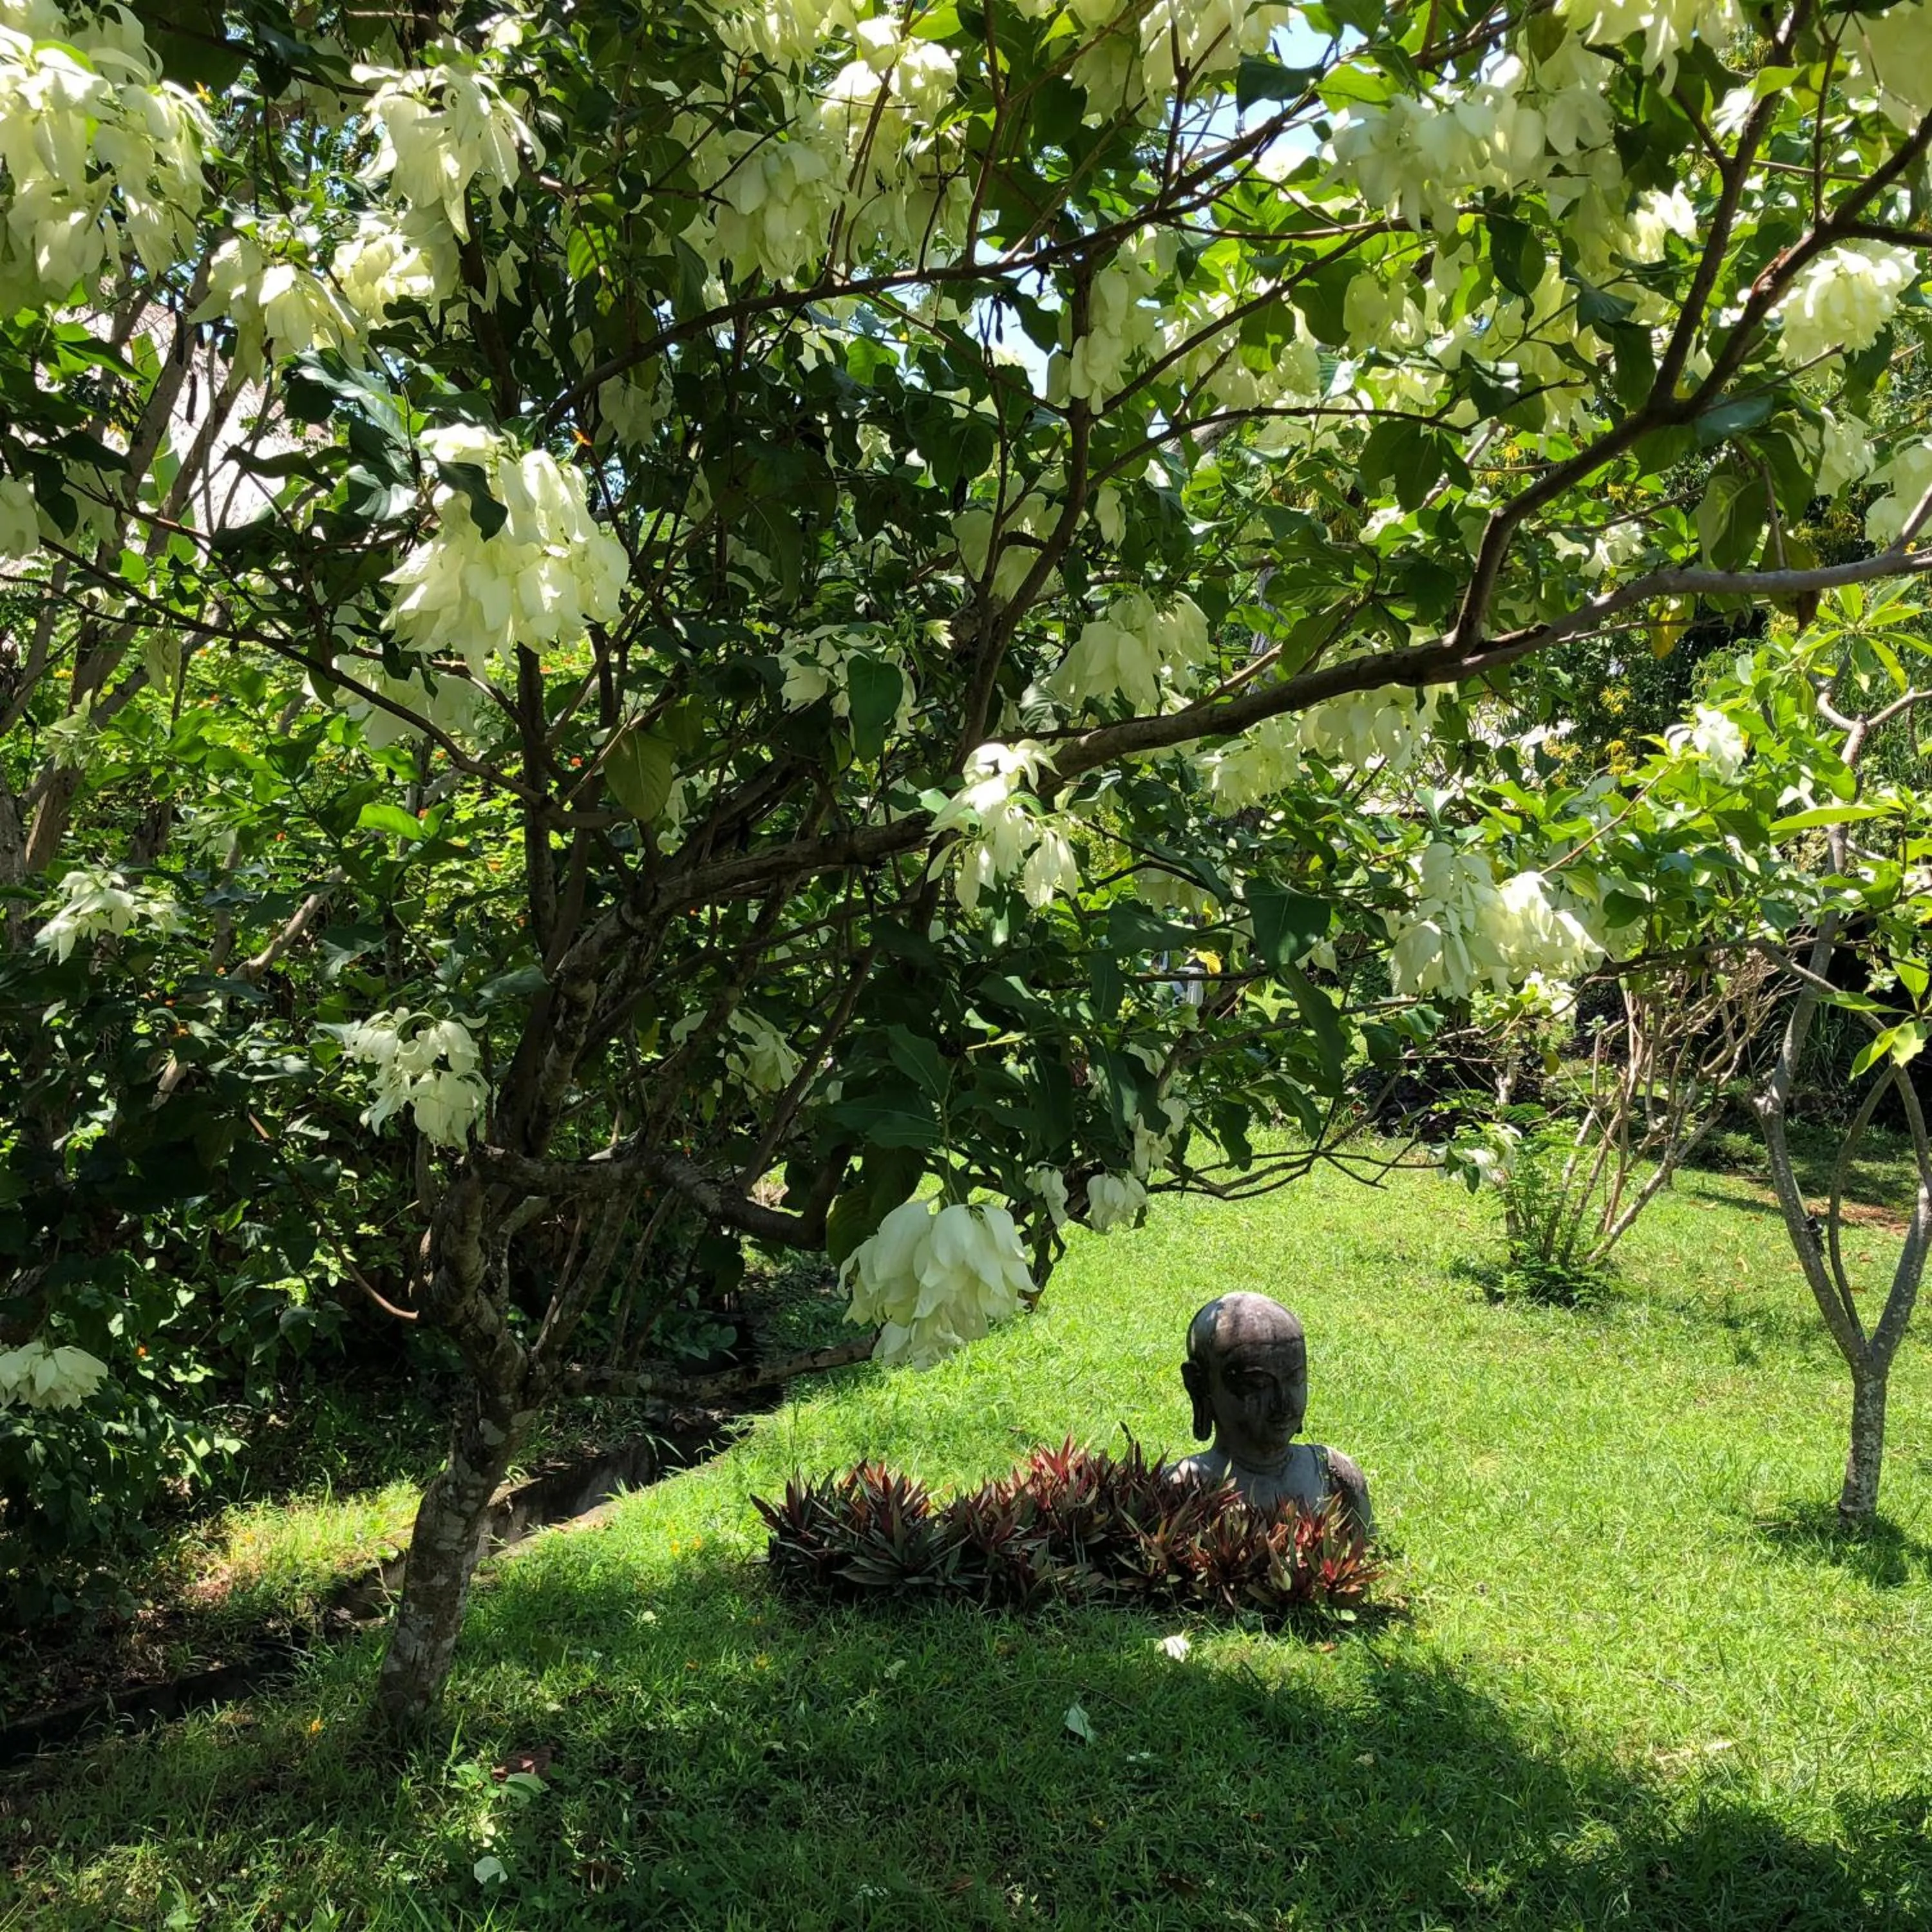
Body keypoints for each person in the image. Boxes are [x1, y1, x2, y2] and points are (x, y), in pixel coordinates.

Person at [1175, 1292, 1373, 1542]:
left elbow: (1369, 1556)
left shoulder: (1334, 1474)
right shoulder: (1181, 1489)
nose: (1283, 1403)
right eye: (1258, 1385)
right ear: (1199, 1385)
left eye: (1295, 1379)